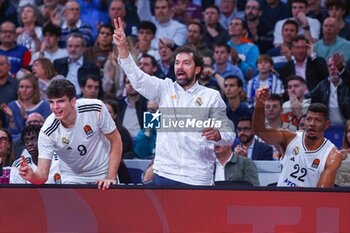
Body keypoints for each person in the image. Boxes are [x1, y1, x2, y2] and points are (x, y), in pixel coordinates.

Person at [114, 17, 234, 185]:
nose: (180, 67)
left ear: (197, 69)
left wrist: (219, 134)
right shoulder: (164, 88)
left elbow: (229, 134)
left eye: (186, 63)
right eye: (177, 63)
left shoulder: (211, 96)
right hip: (165, 173)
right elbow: (138, 79)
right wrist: (123, 49)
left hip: (198, 176)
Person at [19, 79, 122, 190]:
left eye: (60, 101)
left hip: (103, 171)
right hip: (72, 176)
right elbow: (42, 176)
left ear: (73, 101)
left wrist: (110, 177)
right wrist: (32, 176)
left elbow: (116, 140)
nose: (55, 107)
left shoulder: (96, 108)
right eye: (51, 102)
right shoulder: (47, 131)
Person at [253, 86, 343, 187]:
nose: (311, 124)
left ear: (326, 125)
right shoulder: (290, 138)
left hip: (307, 201)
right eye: (309, 119)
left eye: (317, 120)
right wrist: (259, 103)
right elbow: (259, 131)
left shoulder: (332, 155)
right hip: (281, 199)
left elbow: (322, 194)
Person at [0, 74, 51, 141]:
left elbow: (46, 132)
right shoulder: (12, 106)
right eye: (21, 87)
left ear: (35, 89)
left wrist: (27, 118)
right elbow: (10, 135)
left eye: (28, 87)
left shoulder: (45, 106)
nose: (24, 90)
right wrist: (11, 118)